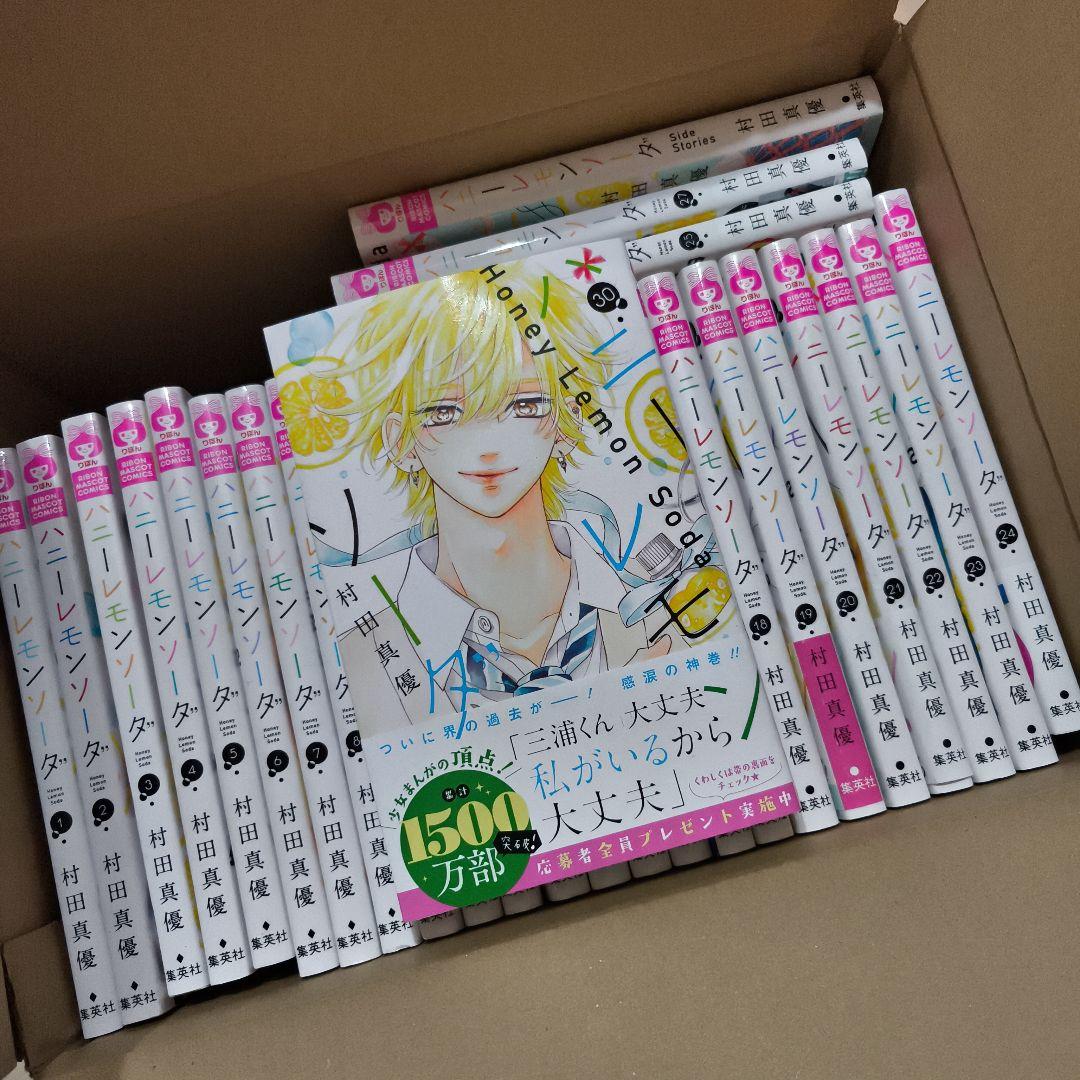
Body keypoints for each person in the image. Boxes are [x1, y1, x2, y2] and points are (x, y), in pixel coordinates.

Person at [282, 268, 674, 733]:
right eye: (444, 412)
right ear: (399, 440)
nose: (488, 445)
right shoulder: (358, 665)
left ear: (567, 421)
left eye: (525, 406)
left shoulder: (663, 610)